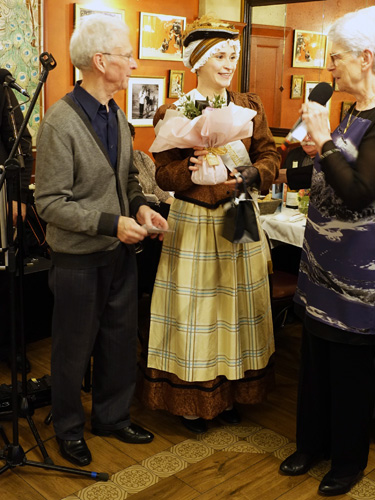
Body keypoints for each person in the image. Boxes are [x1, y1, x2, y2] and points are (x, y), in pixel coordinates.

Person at [35, 14, 168, 467]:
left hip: (119, 253)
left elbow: (127, 177)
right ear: (99, 61)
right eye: (126, 55)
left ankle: (111, 418)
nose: (133, 63)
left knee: (117, 339)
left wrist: (139, 206)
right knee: (73, 348)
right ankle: (68, 427)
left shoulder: (117, 114)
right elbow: (50, 204)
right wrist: (111, 223)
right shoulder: (59, 122)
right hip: (78, 259)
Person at [138, 15, 280, 434]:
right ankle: (192, 401)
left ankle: (230, 392)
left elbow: (270, 154)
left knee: (235, 309)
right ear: (197, 60)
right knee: (196, 312)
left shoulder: (249, 106)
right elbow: (162, 174)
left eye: (232, 55)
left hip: (239, 214)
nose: (228, 63)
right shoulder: (174, 111)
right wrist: (191, 169)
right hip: (194, 222)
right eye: (219, 55)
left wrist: (256, 174)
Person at [279, 6, 375, 496]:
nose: (329, 68)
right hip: (320, 263)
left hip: (360, 276)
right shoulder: (350, 112)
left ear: (366, 57)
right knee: (314, 361)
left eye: (334, 58)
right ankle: (309, 443)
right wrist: (309, 154)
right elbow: (326, 175)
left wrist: (323, 142)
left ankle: (347, 461)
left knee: (351, 371)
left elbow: (360, 193)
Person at [0, 81, 33, 371]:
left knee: (7, 280)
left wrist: (19, 197)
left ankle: (12, 348)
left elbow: (21, 142)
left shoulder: (2, 87)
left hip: (2, 199)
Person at [128, 122, 173, 296]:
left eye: (130, 139)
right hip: (132, 215)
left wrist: (178, 206)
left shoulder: (140, 157)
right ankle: (145, 286)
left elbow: (159, 189)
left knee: (169, 215)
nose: (127, 143)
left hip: (153, 210)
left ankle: (155, 284)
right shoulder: (111, 162)